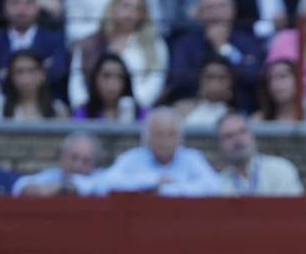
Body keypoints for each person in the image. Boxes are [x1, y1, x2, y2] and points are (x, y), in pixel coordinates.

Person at [76, 108, 224, 196]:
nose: (165, 141)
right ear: (147, 138)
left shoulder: (192, 158)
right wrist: (152, 180)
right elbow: (105, 184)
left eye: (171, 135)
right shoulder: (132, 158)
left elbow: (214, 186)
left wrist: (168, 190)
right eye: (159, 135)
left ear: (180, 138)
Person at [69, 0, 168, 110]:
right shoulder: (90, 43)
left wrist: (129, 107)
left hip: (136, 113)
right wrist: (85, 109)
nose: (131, 13)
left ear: (144, 14)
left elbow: (154, 83)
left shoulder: (154, 44)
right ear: (113, 7)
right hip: (92, 112)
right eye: (126, 6)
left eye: (138, 8)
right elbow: (77, 82)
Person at [165, 0, 264, 108]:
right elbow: (179, 80)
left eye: (221, 6)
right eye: (209, 7)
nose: (216, 13)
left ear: (233, 9)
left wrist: (224, 48)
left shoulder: (248, 41)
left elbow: (252, 75)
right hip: (194, 107)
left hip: (240, 109)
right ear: (200, 13)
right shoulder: (186, 43)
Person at [0, 0, 68, 96]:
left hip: (45, 101)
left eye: (28, 2)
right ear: (4, 7)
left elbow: (57, 73)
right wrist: (39, 70)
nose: (22, 8)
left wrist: (6, 73)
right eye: (15, 2)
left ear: (37, 8)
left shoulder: (54, 39)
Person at [215, 110, 305, 195]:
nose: (238, 140)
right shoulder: (219, 184)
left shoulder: (281, 170)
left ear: (252, 135)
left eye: (242, 132)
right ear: (219, 145)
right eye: (229, 136)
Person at [11, 130, 104, 196]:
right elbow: (20, 185)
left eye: (86, 161)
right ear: (63, 155)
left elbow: (87, 186)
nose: (78, 165)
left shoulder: (102, 179)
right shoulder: (53, 175)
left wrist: (59, 188)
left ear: (95, 163)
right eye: (74, 158)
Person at [72, 51, 142, 119]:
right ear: (95, 79)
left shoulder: (139, 114)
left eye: (119, 77)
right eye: (106, 76)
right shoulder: (83, 114)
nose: (112, 83)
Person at [1, 47, 67, 118]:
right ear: (11, 76)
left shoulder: (58, 109)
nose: (25, 78)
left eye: (31, 71)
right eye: (19, 71)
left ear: (42, 74)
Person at [173, 56, 235, 125]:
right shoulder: (180, 109)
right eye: (210, 77)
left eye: (222, 78)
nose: (215, 83)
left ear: (230, 81)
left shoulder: (236, 116)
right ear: (200, 78)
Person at [253, 57, 306, 121]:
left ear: (298, 79)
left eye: (283, 76)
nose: (275, 83)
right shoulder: (258, 120)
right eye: (270, 79)